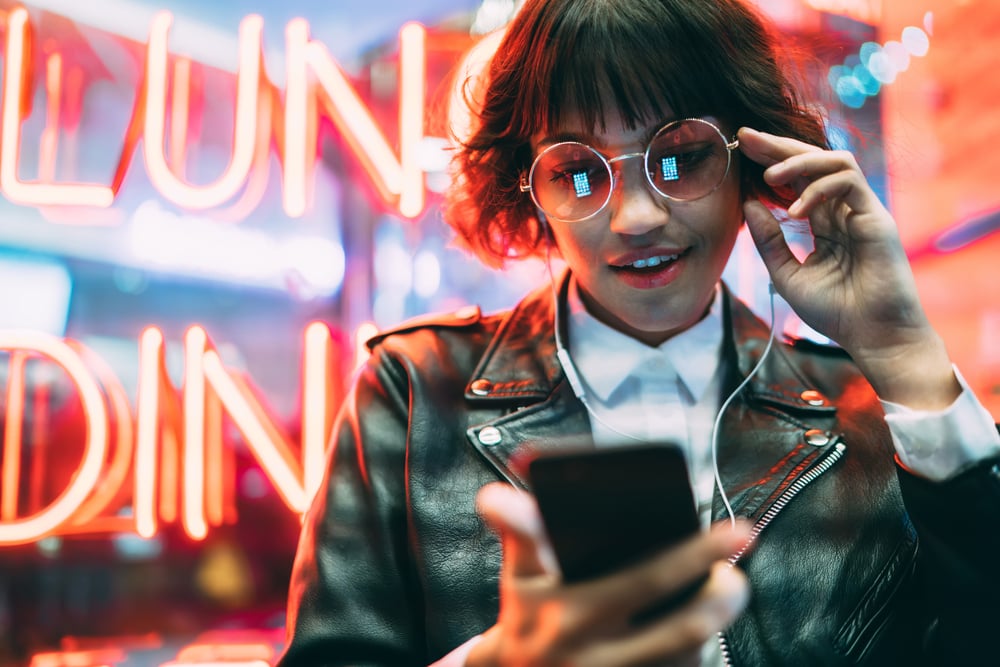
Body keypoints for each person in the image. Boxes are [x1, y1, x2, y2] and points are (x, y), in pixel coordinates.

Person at [276, 0, 1000, 665]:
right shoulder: (412, 391)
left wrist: (908, 360)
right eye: (580, 173)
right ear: (529, 187)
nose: (636, 218)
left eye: (680, 156)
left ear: (754, 158)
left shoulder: (874, 411)